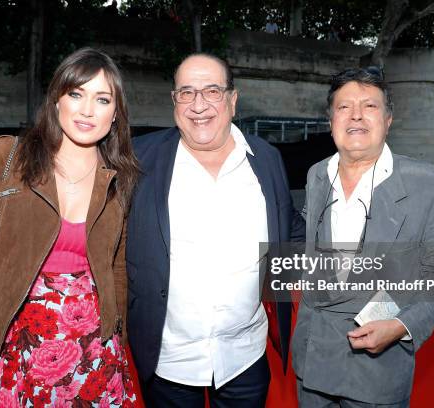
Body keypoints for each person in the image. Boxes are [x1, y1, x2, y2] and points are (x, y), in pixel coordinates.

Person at [0, 47, 139, 407]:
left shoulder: (118, 178)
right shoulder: (7, 157)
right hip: (16, 345)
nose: (87, 110)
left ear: (115, 114)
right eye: (76, 94)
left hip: (95, 351)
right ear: (56, 99)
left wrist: (119, 341)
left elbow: (117, 267)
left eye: (102, 99)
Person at [125, 53, 305, 407]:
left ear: (233, 100)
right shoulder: (137, 160)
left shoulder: (266, 158)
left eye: (212, 91)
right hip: (167, 363)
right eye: (187, 92)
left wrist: (373, 276)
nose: (199, 105)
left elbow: (292, 234)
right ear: (174, 101)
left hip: (245, 358)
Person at [291, 67, 434, 407]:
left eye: (369, 105)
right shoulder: (316, 175)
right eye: (344, 107)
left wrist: (401, 325)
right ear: (331, 120)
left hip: (377, 372)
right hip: (313, 362)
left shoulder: (429, 184)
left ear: (388, 119)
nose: (355, 114)